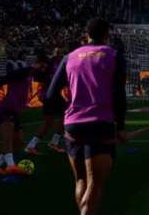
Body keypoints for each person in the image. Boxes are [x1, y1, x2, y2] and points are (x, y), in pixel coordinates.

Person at [46, 18, 127, 215]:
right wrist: (121, 125)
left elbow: (50, 95)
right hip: (100, 123)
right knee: (95, 183)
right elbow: (119, 94)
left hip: (72, 125)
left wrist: (70, 108)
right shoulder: (114, 55)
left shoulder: (69, 56)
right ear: (107, 35)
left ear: (86, 35)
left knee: (80, 179)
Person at [0, 52, 41, 175]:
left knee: (18, 141)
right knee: (8, 139)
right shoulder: (20, 74)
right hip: (6, 109)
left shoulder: (26, 75)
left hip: (15, 111)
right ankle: (10, 165)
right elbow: (0, 81)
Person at [26, 49, 66, 156]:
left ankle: (54, 142)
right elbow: (37, 76)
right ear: (53, 53)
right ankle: (31, 146)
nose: (59, 54)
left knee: (65, 117)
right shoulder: (49, 63)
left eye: (61, 52)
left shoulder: (62, 62)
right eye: (57, 52)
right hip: (49, 96)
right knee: (49, 122)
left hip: (57, 95)